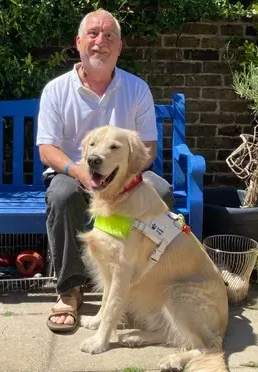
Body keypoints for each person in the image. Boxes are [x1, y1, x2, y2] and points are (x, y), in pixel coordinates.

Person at [35, 9, 174, 332]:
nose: (101, 42)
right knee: (61, 195)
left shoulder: (136, 88)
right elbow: (47, 149)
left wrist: (123, 181)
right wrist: (79, 171)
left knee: (162, 192)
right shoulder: (57, 90)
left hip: (126, 176)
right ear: (79, 42)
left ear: (120, 47)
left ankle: (142, 289)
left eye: (109, 35)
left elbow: (148, 149)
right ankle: (68, 291)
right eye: (94, 34)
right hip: (74, 173)